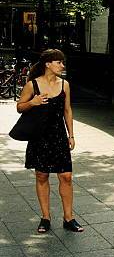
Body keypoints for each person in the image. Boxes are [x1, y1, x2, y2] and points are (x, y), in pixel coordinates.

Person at [16, 49, 84, 233]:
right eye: (59, 62)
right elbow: (19, 107)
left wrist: (71, 135)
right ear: (48, 64)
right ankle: (45, 218)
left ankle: (69, 218)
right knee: (42, 175)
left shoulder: (65, 85)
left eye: (62, 62)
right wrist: (33, 102)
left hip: (58, 135)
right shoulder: (33, 85)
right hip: (40, 136)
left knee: (66, 176)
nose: (62, 65)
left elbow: (67, 111)